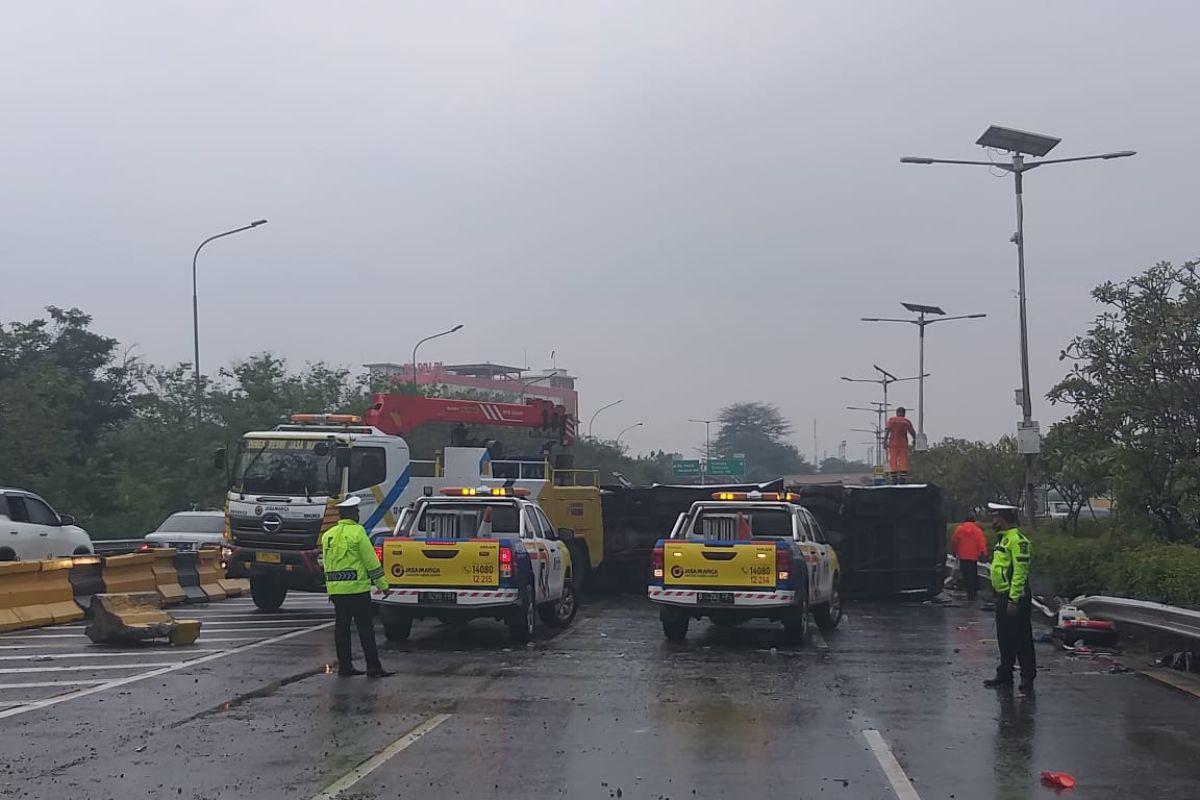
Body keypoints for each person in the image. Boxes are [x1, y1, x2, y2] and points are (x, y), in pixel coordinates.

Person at [320, 496, 394, 678]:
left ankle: (345, 667)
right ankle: (373, 667)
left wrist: (331, 588)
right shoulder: (358, 533)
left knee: (341, 629)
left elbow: (327, 564)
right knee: (365, 629)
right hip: (357, 590)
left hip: (337, 591)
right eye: (357, 511)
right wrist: (383, 585)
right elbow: (371, 563)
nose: (359, 514)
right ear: (352, 514)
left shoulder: (328, 536)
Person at [984, 502, 1036, 694]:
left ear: (1003, 518)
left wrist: (1014, 599)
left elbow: (1020, 573)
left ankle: (1027, 677)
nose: (993, 521)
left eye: (995, 517)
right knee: (1004, 638)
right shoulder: (1002, 539)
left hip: (1016, 597)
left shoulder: (1018, 541)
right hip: (1002, 595)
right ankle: (1005, 673)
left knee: (1021, 638)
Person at [950, 514, 988, 601]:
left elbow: (954, 541)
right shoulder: (977, 530)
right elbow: (981, 543)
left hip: (963, 556)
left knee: (966, 575)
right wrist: (983, 553)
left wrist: (955, 552)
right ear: (973, 521)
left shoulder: (959, 530)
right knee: (973, 574)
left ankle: (968, 592)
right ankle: (973, 593)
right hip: (973, 556)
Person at [883, 407, 917, 484]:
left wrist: (885, 441)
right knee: (903, 461)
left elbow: (887, 430)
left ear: (896, 413)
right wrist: (915, 440)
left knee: (893, 460)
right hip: (903, 444)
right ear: (904, 413)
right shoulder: (906, 421)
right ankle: (902, 478)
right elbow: (912, 432)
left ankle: (894, 479)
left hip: (893, 444)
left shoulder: (891, 420)